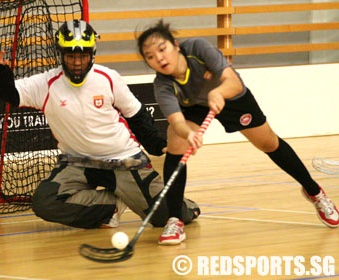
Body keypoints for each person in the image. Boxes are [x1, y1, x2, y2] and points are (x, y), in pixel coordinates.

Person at [0, 20, 200, 232]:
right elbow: (9, 93)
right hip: (77, 163)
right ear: (61, 55)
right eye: (71, 56)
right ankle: (109, 208)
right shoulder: (46, 84)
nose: (77, 62)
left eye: (83, 56)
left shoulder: (108, 78)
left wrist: (157, 144)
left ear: (92, 54)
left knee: (164, 216)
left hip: (124, 161)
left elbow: (136, 115)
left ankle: (186, 207)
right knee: (45, 202)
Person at [136, 19, 339, 245]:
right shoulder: (163, 84)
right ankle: (175, 219)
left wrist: (218, 93)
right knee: (176, 144)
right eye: (150, 57)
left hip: (230, 96)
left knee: (268, 143)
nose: (160, 59)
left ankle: (315, 193)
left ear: (175, 45)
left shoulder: (197, 49)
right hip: (193, 106)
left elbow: (234, 83)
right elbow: (176, 120)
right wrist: (188, 134)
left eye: (162, 50)